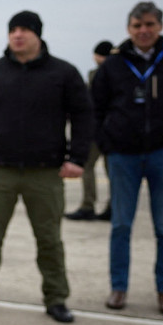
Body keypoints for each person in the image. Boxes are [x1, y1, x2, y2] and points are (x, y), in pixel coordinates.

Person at [0, 10, 92, 324]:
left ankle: (56, 298)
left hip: (45, 172)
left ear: (38, 35)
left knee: (49, 239)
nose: (18, 35)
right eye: (13, 30)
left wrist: (77, 158)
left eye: (25, 30)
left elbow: (84, 116)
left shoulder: (63, 73)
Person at [92, 1, 163, 315]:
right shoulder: (112, 66)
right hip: (122, 157)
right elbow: (95, 108)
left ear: (160, 27)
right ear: (128, 29)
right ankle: (119, 287)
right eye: (138, 26)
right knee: (121, 225)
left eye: (149, 25)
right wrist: (107, 143)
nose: (143, 31)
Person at [66, 39, 115, 221]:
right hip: (114, 131)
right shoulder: (121, 72)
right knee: (112, 171)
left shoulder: (98, 74)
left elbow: (89, 103)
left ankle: (88, 205)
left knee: (87, 166)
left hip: (98, 130)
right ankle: (113, 206)